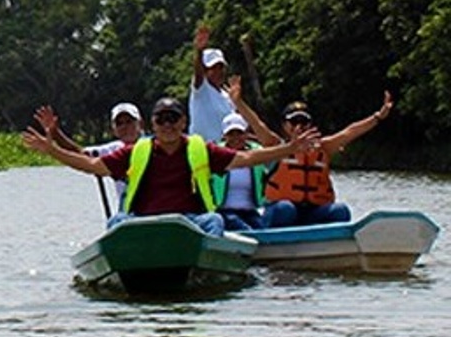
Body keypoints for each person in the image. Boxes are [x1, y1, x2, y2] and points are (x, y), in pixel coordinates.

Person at [22, 97, 320, 237]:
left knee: (214, 222)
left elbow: (243, 159)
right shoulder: (135, 151)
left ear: (183, 122)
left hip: (190, 220)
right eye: (161, 119)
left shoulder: (198, 148)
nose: (167, 125)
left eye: (172, 119)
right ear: (152, 124)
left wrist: (288, 149)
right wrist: (52, 150)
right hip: (145, 219)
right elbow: (92, 165)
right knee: (116, 224)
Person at [229, 79, 394, 227]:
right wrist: (238, 101)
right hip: (281, 211)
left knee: (340, 211)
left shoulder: (323, 148)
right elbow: (256, 123)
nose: (299, 127)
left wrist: (378, 117)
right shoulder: (275, 146)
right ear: (285, 126)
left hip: (312, 212)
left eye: (304, 122)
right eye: (294, 122)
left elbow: (349, 132)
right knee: (286, 209)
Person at [32, 102, 145, 210]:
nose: (125, 127)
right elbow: (80, 154)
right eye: (119, 123)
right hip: (128, 212)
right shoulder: (113, 150)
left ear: (140, 124)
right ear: (114, 130)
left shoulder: (155, 145)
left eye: (129, 121)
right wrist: (55, 133)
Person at [211, 112, 268, 230]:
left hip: (251, 210)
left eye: (239, 133)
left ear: (246, 133)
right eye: (231, 134)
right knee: (243, 228)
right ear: (224, 135)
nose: (235, 138)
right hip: (224, 211)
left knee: (263, 229)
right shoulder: (215, 154)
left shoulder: (257, 152)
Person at [189, 25, 236, 142]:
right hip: (202, 149)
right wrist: (199, 51)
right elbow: (198, 74)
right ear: (205, 70)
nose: (218, 72)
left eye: (220, 67)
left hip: (224, 149)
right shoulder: (201, 89)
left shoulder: (227, 95)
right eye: (213, 68)